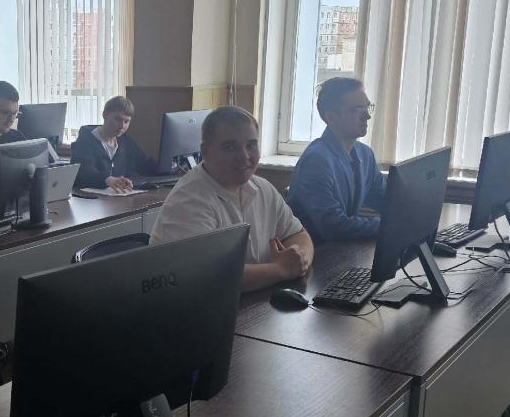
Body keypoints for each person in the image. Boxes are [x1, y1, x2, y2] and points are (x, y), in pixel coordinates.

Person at [150, 106, 314, 292]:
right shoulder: (189, 201)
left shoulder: (263, 188)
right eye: (230, 147)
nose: (244, 156)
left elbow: (298, 234)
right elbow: (208, 276)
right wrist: (281, 269)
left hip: (251, 302)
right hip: (193, 307)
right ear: (206, 152)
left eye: (251, 145)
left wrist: (299, 259)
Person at [286, 77, 387, 243]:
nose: (367, 116)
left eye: (367, 107)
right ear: (331, 117)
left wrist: (414, 212)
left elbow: (387, 201)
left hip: (342, 248)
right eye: (356, 110)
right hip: (315, 252)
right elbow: (334, 226)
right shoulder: (316, 161)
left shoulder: (365, 154)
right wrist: (385, 226)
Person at [70, 96, 157, 192]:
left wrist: (166, 168)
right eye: (117, 119)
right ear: (105, 115)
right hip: (89, 198)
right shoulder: (86, 140)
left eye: (126, 121)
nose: (122, 126)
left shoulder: (125, 142)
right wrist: (107, 179)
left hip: (118, 197)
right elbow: (83, 172)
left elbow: (144, 165)